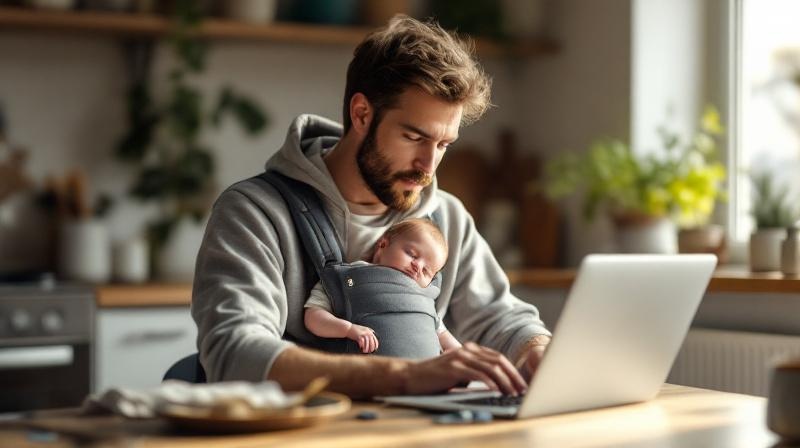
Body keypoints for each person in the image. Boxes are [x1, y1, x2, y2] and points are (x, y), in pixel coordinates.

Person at [192, 15, 551, 399]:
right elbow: (234, 353)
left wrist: (537, 353)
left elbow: (503, 319)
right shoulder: (254, 213)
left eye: (444, 144)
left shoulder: (447, 217)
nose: (429, 166)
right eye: (414, 136)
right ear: (361, 113)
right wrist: (403, 375)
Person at [303, 218, 462, 354]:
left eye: (427, 271)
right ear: (383, 244)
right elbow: (313, 317)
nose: (418, 267)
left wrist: (462, 356)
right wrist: (347, 329)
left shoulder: (425, 300)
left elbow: (444, 336)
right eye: (412, 254)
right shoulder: (348, 277)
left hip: (423, 378)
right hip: (368, 374)